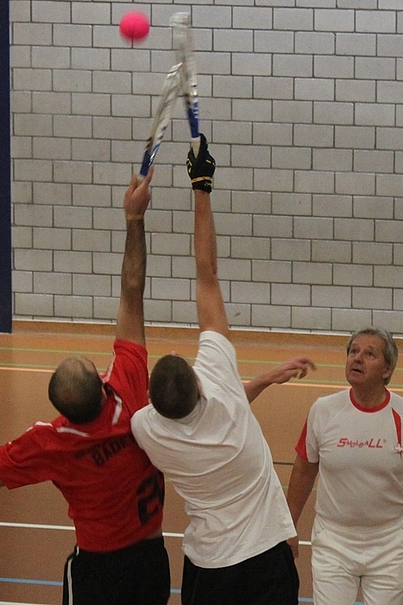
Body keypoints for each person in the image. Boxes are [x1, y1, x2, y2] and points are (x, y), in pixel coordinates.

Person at [0, 167, 173, 605]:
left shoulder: (49, 442)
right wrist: (134, 221)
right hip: (153, 561)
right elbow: (132, 290)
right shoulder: (131, 391)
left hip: (99, 570)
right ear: (103, 383)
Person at [130, 134, 309, 605]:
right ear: (202, 386)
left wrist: (266, 380)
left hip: (208, 570)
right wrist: (201, 186)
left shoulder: (146, 428)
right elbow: (206, 274)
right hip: (266, 560)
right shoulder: (222, 386)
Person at [286, 327, 403, 605]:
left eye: (369, 354)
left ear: (387, 370)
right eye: (353, 352)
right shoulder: (324, 410)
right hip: (333, 540)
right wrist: (288, 527)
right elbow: (304, 470)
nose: (357, 358)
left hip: (389, 543)